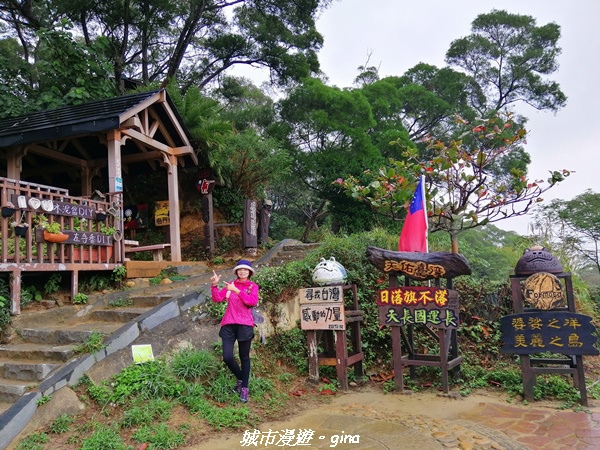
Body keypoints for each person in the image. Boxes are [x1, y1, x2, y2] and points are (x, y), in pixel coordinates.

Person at [210, 259, 259, 403]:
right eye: (240, 269)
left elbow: (251, 302)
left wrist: (237, 291)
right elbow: (218, 298)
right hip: (229, 324)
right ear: (236, 271)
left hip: (245, 325)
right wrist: (214, 285)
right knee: (227, 357)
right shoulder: (230, 285)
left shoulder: (252, 286)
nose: (242, 272)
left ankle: (244, 388)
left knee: (244, 357)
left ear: (249, 272)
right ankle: (240, 378)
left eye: (245, 270)